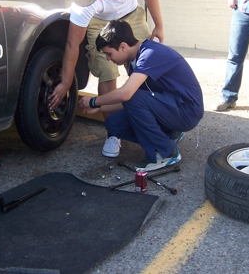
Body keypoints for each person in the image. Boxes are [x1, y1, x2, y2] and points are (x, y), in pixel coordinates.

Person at [49, 0, 164, 158]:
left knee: (145, 64)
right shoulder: (85, 5)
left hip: (131, 16)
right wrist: (66, 83)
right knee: (107, 69)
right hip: (98, 22)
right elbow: (72, 44)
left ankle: (157, 120)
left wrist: (159, 25)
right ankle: (114, 132)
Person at [79, 20, 203, 171]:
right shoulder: (135, 60)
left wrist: (94, 102)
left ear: (123, 46)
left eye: (109, 53)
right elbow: (132, 100)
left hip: (187, 111)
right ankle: (168, 135)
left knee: (134, 97)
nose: (108, 59)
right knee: (113, 123)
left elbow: (126, 95)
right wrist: (100, 108)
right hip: (170, 106)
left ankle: (166, 153)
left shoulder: (150, 53)